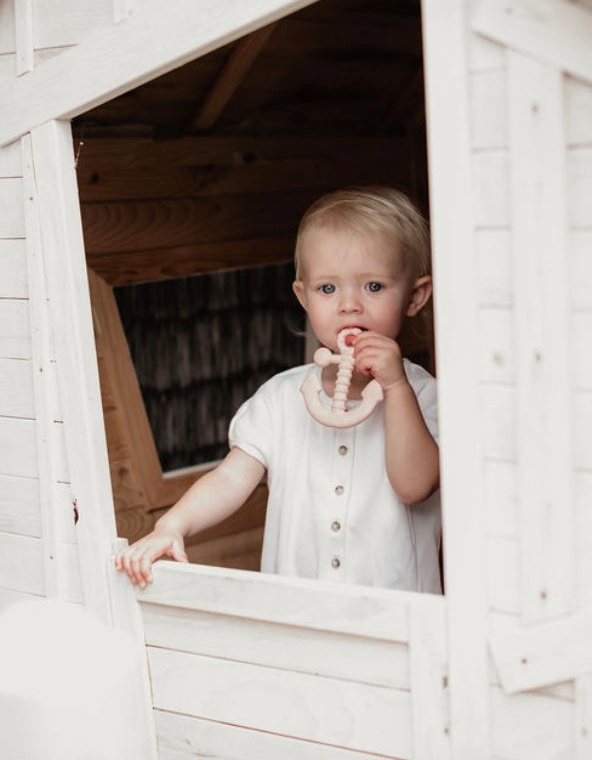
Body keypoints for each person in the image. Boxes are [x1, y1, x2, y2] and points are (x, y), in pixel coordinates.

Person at [114, 186, 441, 593]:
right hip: (295, 613)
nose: (349, 305)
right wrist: (172, 524)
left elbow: (415, 486)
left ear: (415, 296)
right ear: (303, 297)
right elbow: (231, 480)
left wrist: (395, 386)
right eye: (328, 288)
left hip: (396, 618)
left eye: (373, 286)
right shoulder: (281, 398)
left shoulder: (426, 394)